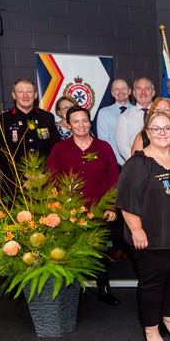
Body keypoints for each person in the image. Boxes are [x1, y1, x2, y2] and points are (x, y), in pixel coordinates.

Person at [115, 112, 170, 341]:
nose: (162, 133)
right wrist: (137, 230)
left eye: (167, 128)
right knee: (153, 284)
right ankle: (150, 327)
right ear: (147, 133)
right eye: (156, 129)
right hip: (151, 238)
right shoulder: (139, 163)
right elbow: (126, 200)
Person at [47, 106, 120, 305]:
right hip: (69, 213)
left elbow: (114, 179)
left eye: (84, 120)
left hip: (99, 212)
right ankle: (71, 295)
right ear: (69, 125)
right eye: (76, 121)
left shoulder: (104, 147)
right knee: (70, 254)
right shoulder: (59, 149)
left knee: (100, 253)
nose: (81, 125)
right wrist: (58, 208)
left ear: (90, 122)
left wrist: (111, 207)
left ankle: (104, 290)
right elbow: (52, 179)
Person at [0, 78, 61, 203]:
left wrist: (42, 175)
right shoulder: (3, 118)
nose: (25, 96)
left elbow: (56, 149)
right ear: (14, 95)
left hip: (43, 182)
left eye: (29, 92)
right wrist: (25, 175)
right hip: (15, 184)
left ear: (35, 95)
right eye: (20, 92)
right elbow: (0, 152)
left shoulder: (47, 118)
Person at [116, 77, 155, 162]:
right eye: (139, 88)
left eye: (147, 88)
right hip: (137, 164)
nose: (143, 92)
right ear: (134, 93)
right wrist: (137, 163)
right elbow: (123, 146)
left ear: (153, 93)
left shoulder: (162, 115)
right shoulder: (125, 117)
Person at [96, 79, 132, 165]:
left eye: (123, 88)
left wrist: (133, 161)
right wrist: (122, 162)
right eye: (116, 89)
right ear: (112, 93)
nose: (120, 92)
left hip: (136, 162)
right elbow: (105, 140)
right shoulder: (104, 113)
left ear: (129, 91)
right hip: (113, 162)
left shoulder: (138, 111)